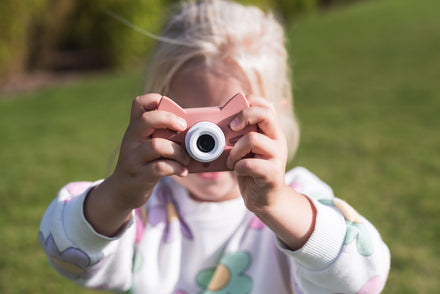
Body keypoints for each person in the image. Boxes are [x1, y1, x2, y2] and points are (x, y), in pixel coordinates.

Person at [39, 0, 390, 293]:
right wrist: (116, 197)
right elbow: (66, 252)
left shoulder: (297, 200)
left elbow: (362, 279)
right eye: (189, 124)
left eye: (232, 123)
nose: (207, 144)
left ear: (277, 119)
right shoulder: (143, 210)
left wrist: (280, 204)